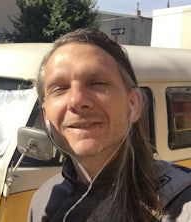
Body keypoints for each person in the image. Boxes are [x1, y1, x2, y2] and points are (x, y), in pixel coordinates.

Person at [28, 28, 191, 222]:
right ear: (46, 114)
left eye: (97, 83)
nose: (76, 100)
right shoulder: (43, 200)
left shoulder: (182, 204)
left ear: (134, 104)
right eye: (60, 88)